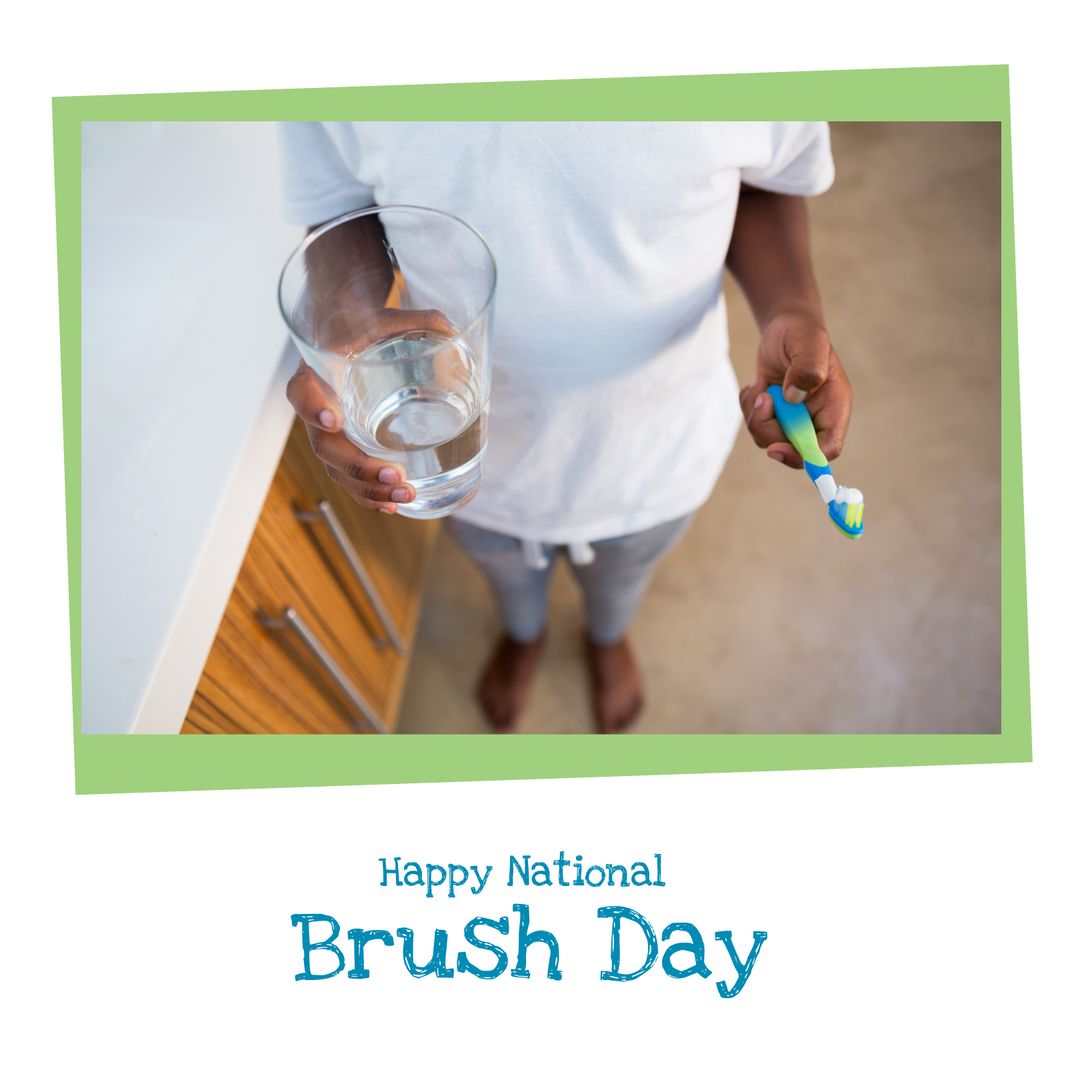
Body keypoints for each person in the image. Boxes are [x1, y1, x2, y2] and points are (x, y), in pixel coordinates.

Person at [278, 122, 853, 733]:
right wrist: (351, 326)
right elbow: (343, 208)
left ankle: (607, 635)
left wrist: (794, 307)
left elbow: (765, 182)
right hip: (472, 470)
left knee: (621, 580)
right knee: (507, 578)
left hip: (657, 454)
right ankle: (524, 633)